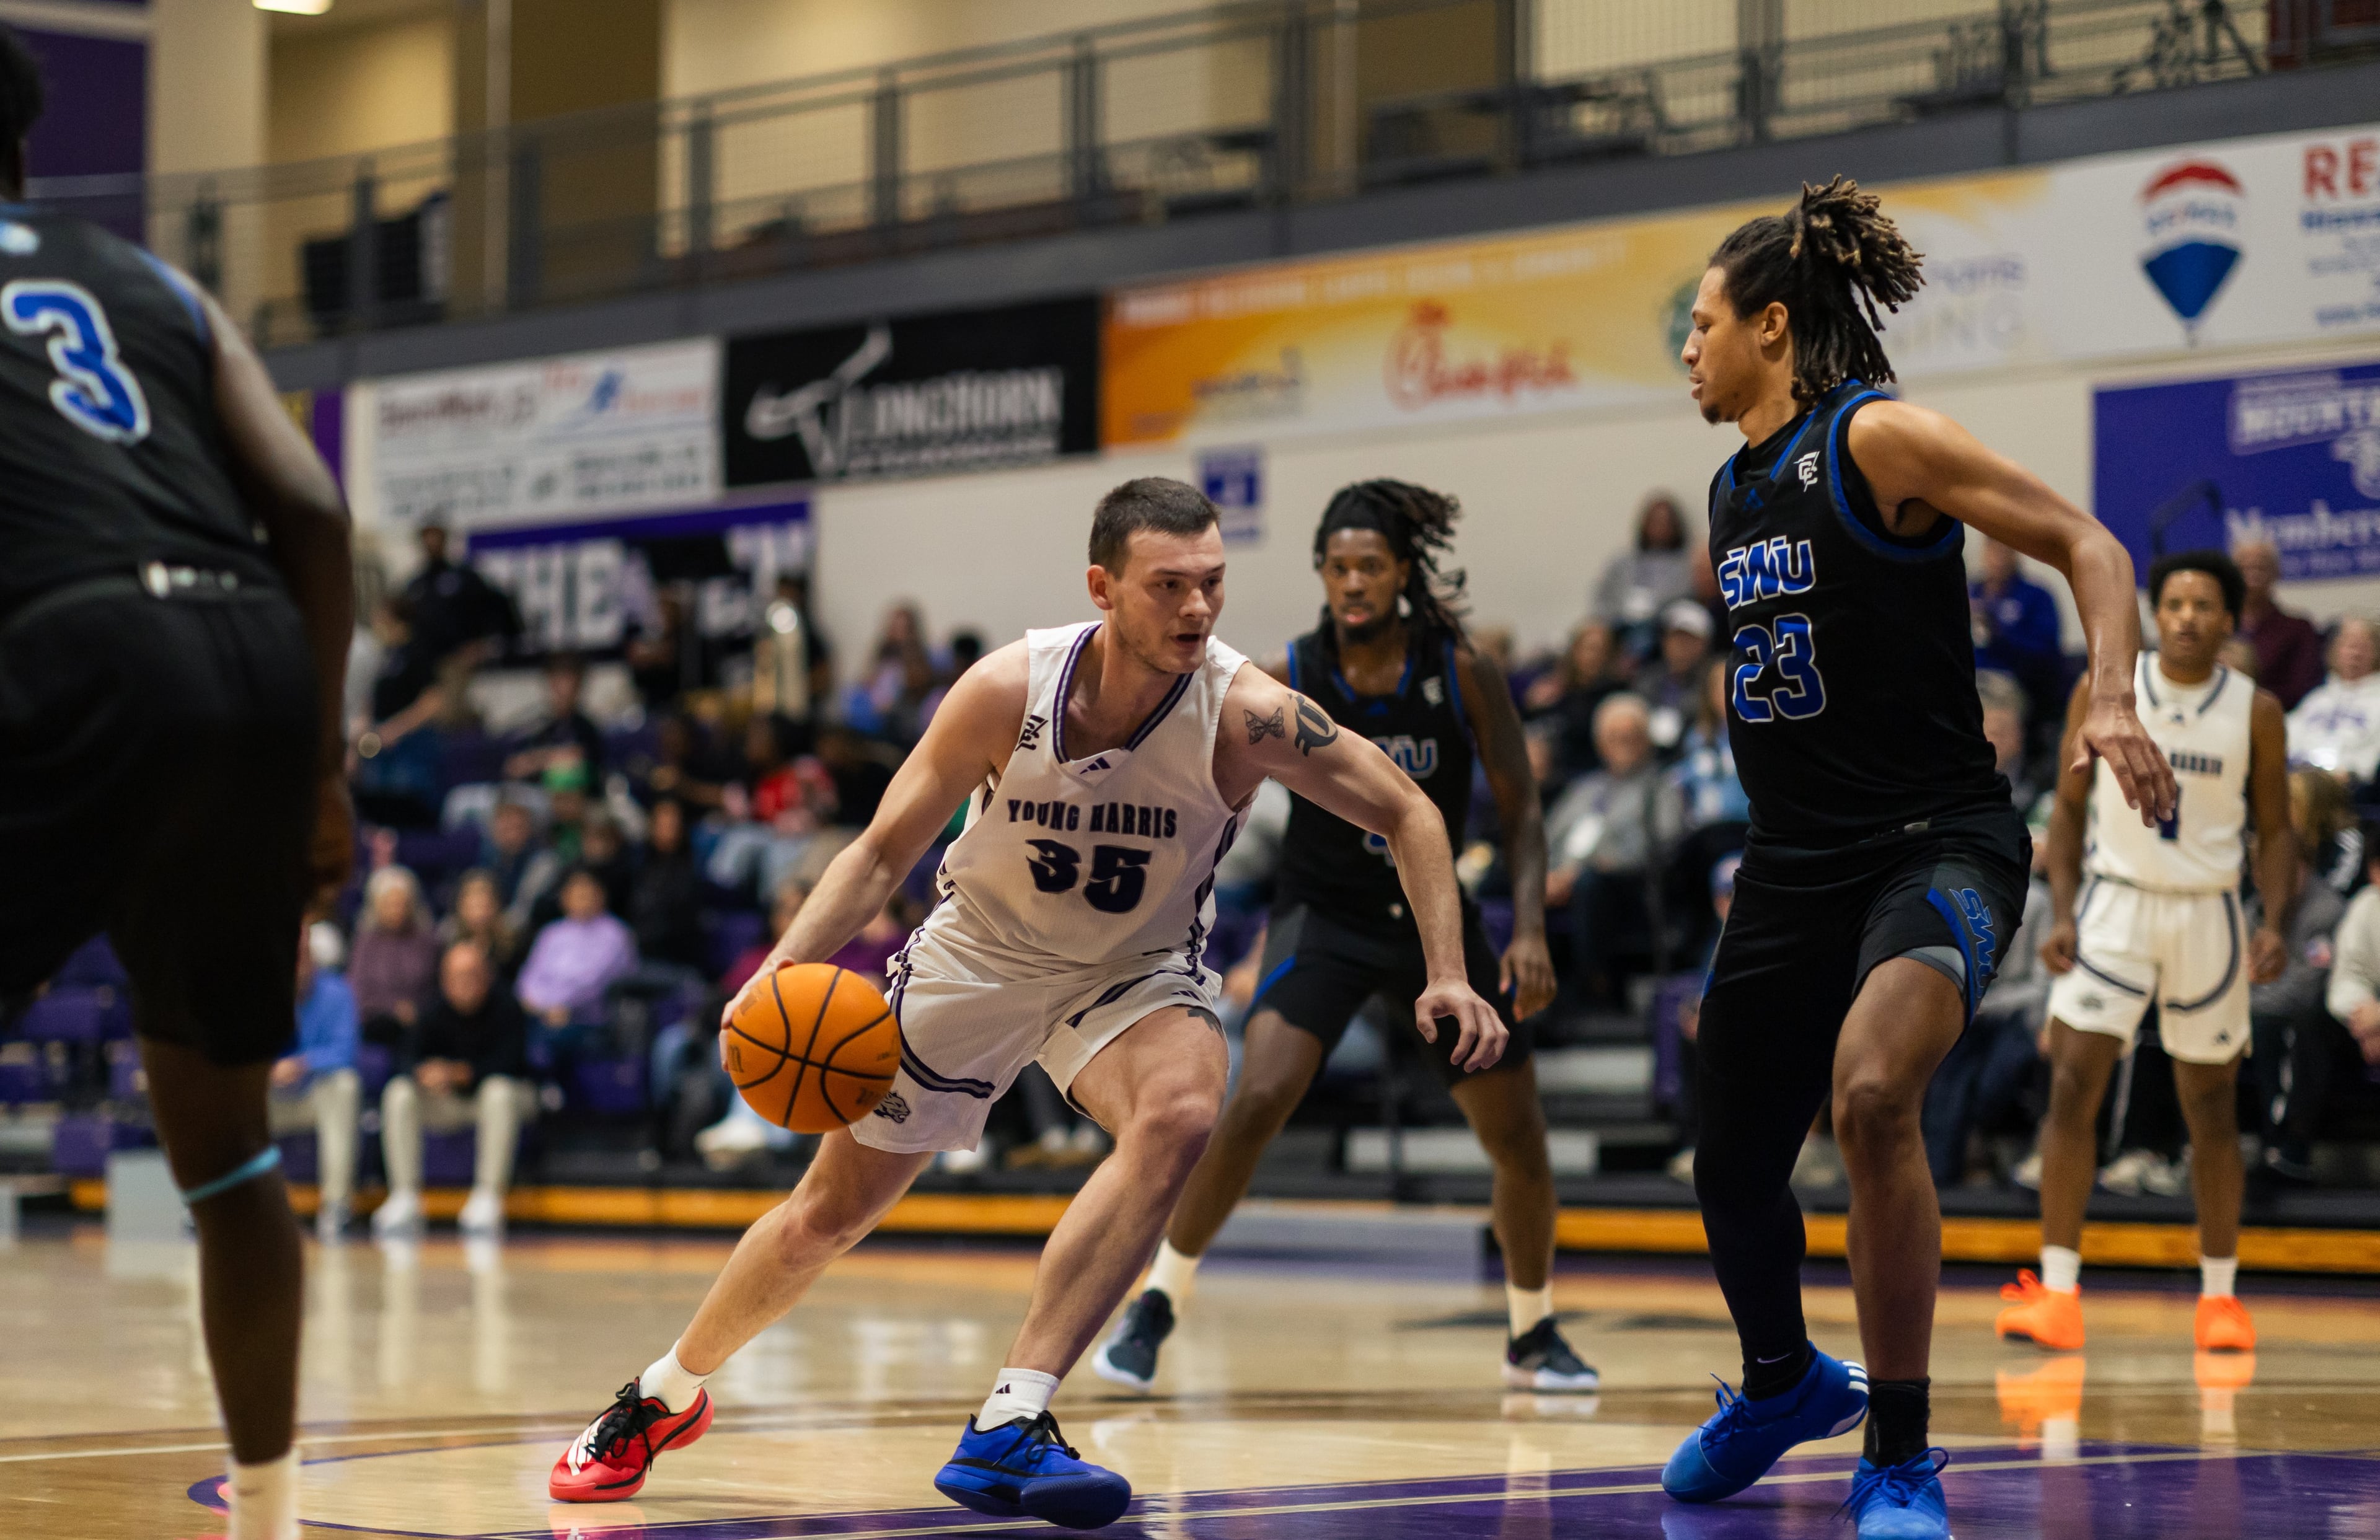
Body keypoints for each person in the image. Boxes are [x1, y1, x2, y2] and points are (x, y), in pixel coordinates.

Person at [545, 477, 1504, 1526]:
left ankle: (1013, 1416)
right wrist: (777, 968)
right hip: (979, 956)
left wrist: (1447, 970)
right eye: (1168, 585)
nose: (1197, 607)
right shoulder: (1008, 689)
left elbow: (1409, 811)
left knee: (1184, 1107)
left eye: (1213, 583)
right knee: (826, 1217)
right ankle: (663, 1394)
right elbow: (880, 854)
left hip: (1130, 972)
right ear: (1102, 587)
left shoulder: (1247, 713)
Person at [1665, 176, 2174, 1538]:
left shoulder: (1876, 438)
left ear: (1772, 326)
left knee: (1875, 1093)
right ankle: (1783, 1384)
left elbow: (2089, 544)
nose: (1688, 349)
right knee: (1729, 1162)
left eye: (1703, 325)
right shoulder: (1730, 487)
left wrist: (2110, 697)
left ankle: (1897, 1451)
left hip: (1936, 843)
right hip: (1792, 863)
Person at [0, 30, 355, 1540]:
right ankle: (266, 1515)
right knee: (225, 1148)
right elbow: (314, 508)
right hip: (251, 655)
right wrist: (319, 772)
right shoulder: (157, 285)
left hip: (69, 645)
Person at [1093, 478, 1590, 1398]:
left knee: (1518, 1133)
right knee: (1257, 1096)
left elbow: (1522, 811)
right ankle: (1157, 1300)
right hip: (1325, 913)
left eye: (1371, 566)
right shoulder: (1287, 671)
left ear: (1401, 572)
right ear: (1321, 574)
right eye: (1338, 567)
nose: (1354, 582)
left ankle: (1532, 1329)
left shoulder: (1462, 669)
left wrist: (1528, 931)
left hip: (1434, 924)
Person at [1999, 552, 2290, 1359]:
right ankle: (2058, 1292)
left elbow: (2277, 830)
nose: (2188, 617)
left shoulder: (2257, 710)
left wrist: (2274, 921)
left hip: (2208, 911)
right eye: (2174, 604)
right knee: (2071, 1086)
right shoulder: (2103, 693)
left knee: (2212, 1107)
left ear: (2230, 620)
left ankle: (2220, 1299)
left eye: (2204, 605)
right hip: (2116, 905)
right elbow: (2067, 811)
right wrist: (2062, 912)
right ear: (2154, 615)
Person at [374, 939, 536, 1239]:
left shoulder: (507, 1006)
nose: (465, 983)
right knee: (399, 1092)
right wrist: (423, 1073)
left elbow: (513, 1061)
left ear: (487, 976)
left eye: (472, 974)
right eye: (457, 976)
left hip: (501, 1101)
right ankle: (404, 1196)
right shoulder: (433, 1008)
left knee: (498, 1091)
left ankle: (489, 1195)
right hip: (446, 1101)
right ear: (444, 980)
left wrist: (462, 1074)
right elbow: (403, 1058)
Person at [1544, 693, 1685, 1009]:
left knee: (1590, 884)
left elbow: (1667, 843)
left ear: (1646, 740)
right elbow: (1547, 839)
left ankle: (1595, 989)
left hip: (1624, 887)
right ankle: (1526, 994)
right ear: (1601, 744)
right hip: (1563, 882)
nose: (1623, 744)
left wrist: (1598, 867)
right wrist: (1550, 875)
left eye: (1631, 736)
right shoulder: (1583, 790)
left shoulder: (1661, 787)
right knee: (1507, 882)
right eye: (1614, 737)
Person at [271, 933, 362, 1240]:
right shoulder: (256, 993)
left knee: (346, 1085)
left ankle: (336, 1205)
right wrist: (268, 1069)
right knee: (221, 1085)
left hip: (314, 1097)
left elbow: (346, 1051)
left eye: (302, 955)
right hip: (264, 1098)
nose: (296, 964)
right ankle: (213, 1204)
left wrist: (303, 1063)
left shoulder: (338, 992)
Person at [516, 868, 639, 1028]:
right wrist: (538, 1003)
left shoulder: (615, 934)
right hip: (543, 1014)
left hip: (590, 1021)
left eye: (586, 894)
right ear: (564, 898)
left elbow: (594, 982)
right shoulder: (552, 932)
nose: (581, 899)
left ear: (601, 896)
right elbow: (530, 975)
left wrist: (556, 1005)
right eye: (576, 894)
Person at [1969, 537, 2065, 734]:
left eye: (2004, 552)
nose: (1998, 560)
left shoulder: (2036, 596)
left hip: (2011, 682)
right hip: (1967, 679)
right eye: (1993, 551)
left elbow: (2046, 652)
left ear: (2016, 555)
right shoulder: (1969, 592)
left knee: (1990, 723)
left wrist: (2000, 634)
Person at [1592, 491, 1694, 657]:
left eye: (1666, 522)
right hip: (1619, 629)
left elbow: (1687, 601)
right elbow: (1602, 601)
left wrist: (1654, 609)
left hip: (1661, 632)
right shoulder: (1621, 563)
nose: (1660, 527)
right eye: (1655, 521)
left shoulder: (1687, 564)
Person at [348, 865, 439, 1044]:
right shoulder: (365, 943)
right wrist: (393, 1008)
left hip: (421, 1022)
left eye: (401, 904)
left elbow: (437, 987)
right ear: (376, 906)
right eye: (389, 904)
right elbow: (357, 990)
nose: (396, 911)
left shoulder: (428, 941)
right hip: (375, 1025)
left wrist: (416, 1010)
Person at [2285, 617, 2380, 786]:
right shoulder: (2317, 698)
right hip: (2302, 780)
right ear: (2335, 651)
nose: (2355, 654)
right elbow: (2288, 739)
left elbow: (2369, 765)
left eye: (2363, 647)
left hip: (2350, 787)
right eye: (2349, 646)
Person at [2231, 540, 2325, 709]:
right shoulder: (2220, 627)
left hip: (2278, 715)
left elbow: (2304, 690)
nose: (2253, 574)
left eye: (2261, 567)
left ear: (2276, 573)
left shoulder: (2298, 629)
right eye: (2245, 568)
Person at [503, 654, 606, 782]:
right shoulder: (533, 727)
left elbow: (583, 760)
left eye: (570, 682)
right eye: (559, 681)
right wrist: (551, 759)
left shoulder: (587, 729)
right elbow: (514, 766)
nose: (565, 690)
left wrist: (540, 761)